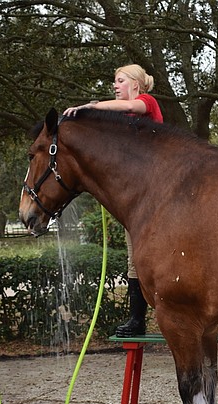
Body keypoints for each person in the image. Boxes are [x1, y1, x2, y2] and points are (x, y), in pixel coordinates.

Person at [63, 64, 162, 337]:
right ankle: (137, 320)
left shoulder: (146, 102)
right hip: (137, 198)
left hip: (157, 190)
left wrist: (92, 106)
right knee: (134, 259)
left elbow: (127, 107)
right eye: (114, 82)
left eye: (119, 81)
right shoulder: (122, 119)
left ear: (135, 84)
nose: (115, 86)